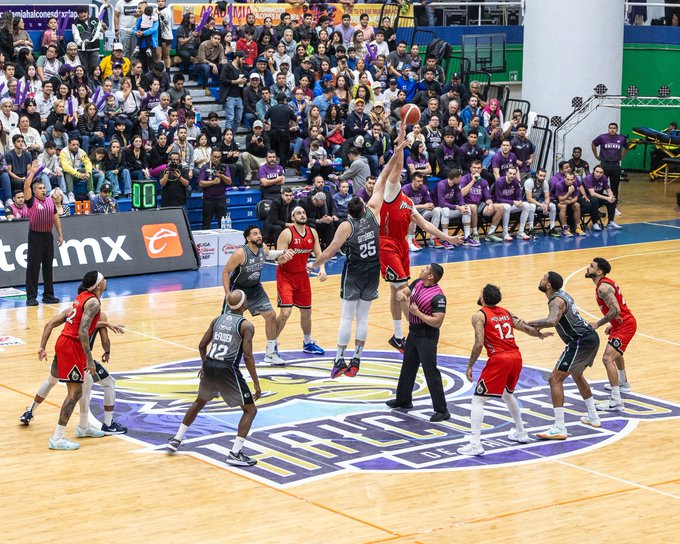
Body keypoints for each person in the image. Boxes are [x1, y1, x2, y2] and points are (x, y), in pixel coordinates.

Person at [307, 129, 408, 378]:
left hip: (353, 272)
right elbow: (383, 178)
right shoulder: (374, 212)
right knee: (362, 319)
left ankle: (339, 359)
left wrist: (312, 264)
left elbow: (329, 252)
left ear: (348, 211)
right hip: (373, 270)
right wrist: (396, 152)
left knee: (346, 318)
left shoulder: (346, 225)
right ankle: (357, 359)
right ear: (363, 206)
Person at [166, 290, 261, 467]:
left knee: (199, 402)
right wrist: (256, 382)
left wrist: (204, 365)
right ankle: (235, 452)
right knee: (250, 410)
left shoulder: (217, 320)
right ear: (243, 305)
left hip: (210, 364)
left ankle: (176, 439)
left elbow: (202, 345)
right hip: (227, 369)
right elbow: (248, 357)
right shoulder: (246, 326)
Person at [457, 284, 549, 455]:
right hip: (516, 357)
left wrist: (470, 365)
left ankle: (475, 444)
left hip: (500, 359)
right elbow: (526, 328)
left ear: (483, 297)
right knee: (507, 394)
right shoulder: (505, 312)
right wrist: (539, 334)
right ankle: (521, 431)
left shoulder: (479, 315)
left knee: (477, 400)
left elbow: (478, 343)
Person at [20, 309, 127, 435]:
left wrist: (42, 347)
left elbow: (49, 324)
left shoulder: (71, 311)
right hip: (79, 356)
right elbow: (101, 337)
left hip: (63, 352)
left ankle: (30, 411)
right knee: (99, 385)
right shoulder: (100, 315)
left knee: (51, 381)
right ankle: (103, 425)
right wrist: (107, 350)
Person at [528, 271, 603, 440]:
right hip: (590, 338)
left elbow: (552, 320)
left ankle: (559, 427)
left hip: (580, 341)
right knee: (577, 375)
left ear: (548, 285)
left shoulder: (556, 301)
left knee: (554, 379)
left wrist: (530, 324)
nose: (540, 280)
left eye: (543, 278)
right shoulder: (563, 295)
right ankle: (593, 416)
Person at [43, 271, 109, 450]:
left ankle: (84, 426)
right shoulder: (93, 302)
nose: (106, 281)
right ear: (97, 285)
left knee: (78, 386)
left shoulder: (83, 296)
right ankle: (57, 437)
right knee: (75, 393)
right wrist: (89, 359)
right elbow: (82, 331)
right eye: (103, 279)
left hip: (69, 344)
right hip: (72, 346)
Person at [385, 264, 450, 422]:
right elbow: (404, 292)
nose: (422, 269)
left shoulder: (438, 297)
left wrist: (417, 313)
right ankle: (403, 399)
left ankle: (442, 410)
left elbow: (437, 322)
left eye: (426, 269)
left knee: (430, 371)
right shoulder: (417, 283)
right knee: (408, 366)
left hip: (427, 335)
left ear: (431, 276)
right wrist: (401, 294)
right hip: (414, 331)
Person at [221, 226, 294, 366]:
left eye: (259, 233)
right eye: (255, 234)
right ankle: (225, 353)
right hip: (239, 291)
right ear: (248, 238)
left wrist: (284, 252)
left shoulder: (263, 248)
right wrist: (228, 293)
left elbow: (270, 255)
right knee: (228, 322)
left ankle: (271, 353)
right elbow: (226, 272)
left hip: (255, 289)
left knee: (271, 315)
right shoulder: (240, 253)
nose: (259, 236)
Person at [585, 257, 637, 407]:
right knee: (616, 353)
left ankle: (616, 400)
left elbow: (616, 310)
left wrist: (599, 323)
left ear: (599, 271)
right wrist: (613, 323)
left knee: (607, 358)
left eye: (591, 266)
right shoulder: (602, 285)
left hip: (626, 325)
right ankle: (623, 383)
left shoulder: (603, 288)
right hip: (621, 324)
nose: (588, 268)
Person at [275, 206, 327, 355]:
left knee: (307, 312)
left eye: (304, 212)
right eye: (299, 213)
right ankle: (272, 344)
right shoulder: (286, 234)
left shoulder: (313, 232)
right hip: (285, 275)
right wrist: (285, 257)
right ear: (293, 218)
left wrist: (322, 269)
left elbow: (319, 254)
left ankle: (307, 342)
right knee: (285, 312)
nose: (302, 215)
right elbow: (279, 259)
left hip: (302, 275)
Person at [22, 163, 64, 306]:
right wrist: (32, 173)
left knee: (48, 266)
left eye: (44, 188)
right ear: (34, 191)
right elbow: (26, 187)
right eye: (40, 188)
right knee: (33, 267)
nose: (43, 190)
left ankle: (48, 295)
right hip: (35, 236)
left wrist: (60, 235)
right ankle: (31, 297)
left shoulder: (50, 201)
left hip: (48, 236)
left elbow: (55, 217)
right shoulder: (31, 201)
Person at [591, 123, 628, 211]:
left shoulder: (621, 138)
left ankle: (613, 207)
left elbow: (627, 147)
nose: (612, 130)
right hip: (604, 165)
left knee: (614, 187)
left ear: (617, 129)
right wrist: (596, 155)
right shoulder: (602, 137)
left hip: (615, 165)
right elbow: (593, 144)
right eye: (610, 128)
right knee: (600, 185)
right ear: (608, 129)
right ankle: (597, 206)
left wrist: (621, 156)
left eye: (614, 128)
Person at [199, 150, 231, 229]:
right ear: (211, 156)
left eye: (218, 157)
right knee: (206, 224)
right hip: (208, 199)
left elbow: (229, 182)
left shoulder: (224, 166)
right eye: (214, 157)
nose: (216, 159)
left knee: (223, 224)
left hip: (221, 198)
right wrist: (213, 182)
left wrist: (221, 175)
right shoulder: (205, 167)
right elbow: (201, 183)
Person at [582, 165, 620, 231]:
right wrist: (606, 198)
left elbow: (608, 189)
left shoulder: (604, 178)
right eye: (597, 172)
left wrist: (611, 196)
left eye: (600, 172)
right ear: (593, 171)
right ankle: (595, 223)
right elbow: (592, 194)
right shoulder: (588, 178)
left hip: (599, 196)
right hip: (588, 197)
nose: (598, 174)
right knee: (595, 200)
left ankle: (610, 222)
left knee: (613, 200)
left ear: (603, 173)